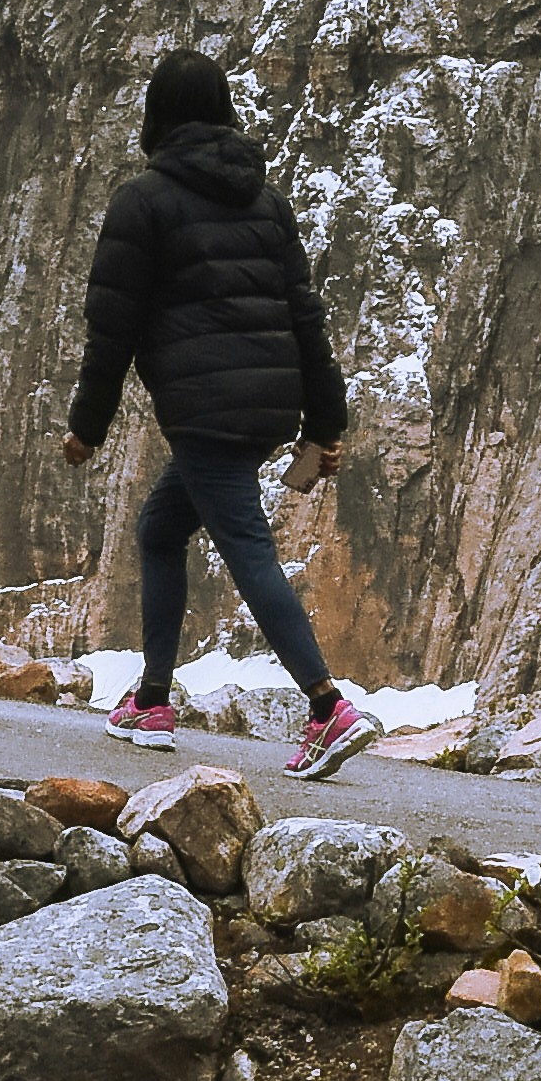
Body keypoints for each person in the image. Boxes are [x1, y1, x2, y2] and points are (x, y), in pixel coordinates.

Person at [61, 49, 376, 774]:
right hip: (268, 405)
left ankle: (328, 708)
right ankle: (152, 697)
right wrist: (324, 425)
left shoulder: (143, 201)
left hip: (205, 411)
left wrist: (88, 426)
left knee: (247, 550)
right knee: (161, 527)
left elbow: (113, 326)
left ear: (157, 114)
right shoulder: (266, 203)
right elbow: (307, 317)